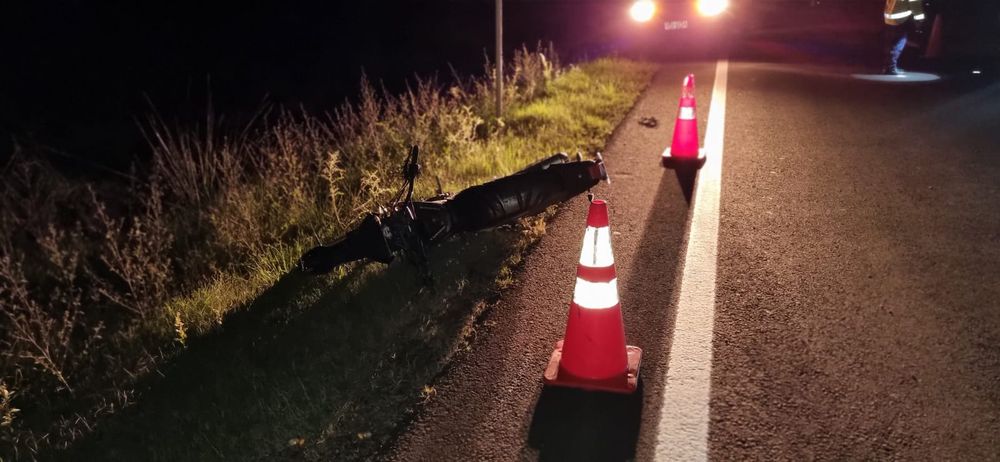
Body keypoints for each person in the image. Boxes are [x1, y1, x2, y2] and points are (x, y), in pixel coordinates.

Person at [883, 0, 927, 75]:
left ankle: (888, 67)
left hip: (890, 17)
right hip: (900, 19)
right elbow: (915, 5)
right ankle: (891, 68)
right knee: (899, 42)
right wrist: (920, 20)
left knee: (892, 43)